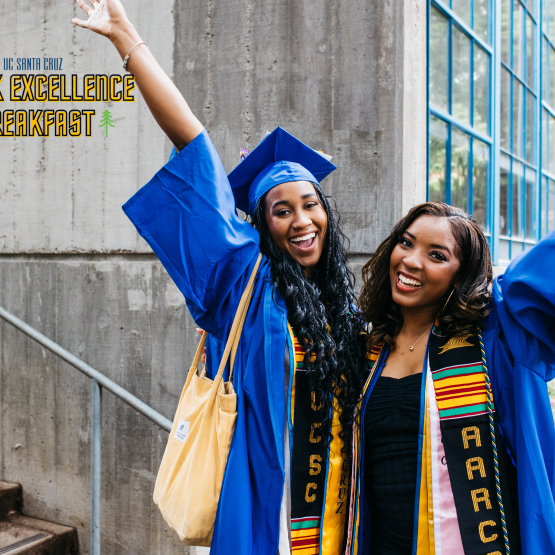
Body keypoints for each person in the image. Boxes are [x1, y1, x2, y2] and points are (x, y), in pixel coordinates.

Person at [72, 1, 367, 554]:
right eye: (282, 211)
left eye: (310, 205)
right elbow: (193, 143)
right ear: (261, 223)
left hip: (337, 506)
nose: (302, 221)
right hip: (270, 511)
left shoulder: (342, 302)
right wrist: (128, 43)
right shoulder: (246, 279)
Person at [346, 202, 555, 555]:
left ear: (462, 276)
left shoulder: (493, 340)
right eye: (407, 243)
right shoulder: (367, 345)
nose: (411, 261)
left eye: (437, 255)